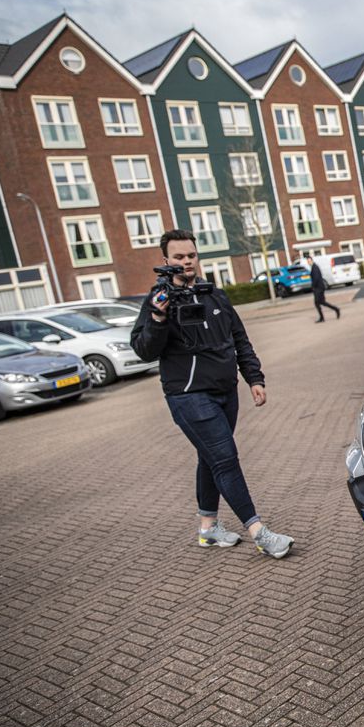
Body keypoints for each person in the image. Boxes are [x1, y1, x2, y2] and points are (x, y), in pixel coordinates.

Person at [130, 229, 296, 559]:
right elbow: (144, 350)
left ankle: (208, 529)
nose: (186, 261)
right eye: (178, 257)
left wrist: (254, 378)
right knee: (225, 459)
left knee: (210, 457)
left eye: (191, 255)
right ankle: (259, 532)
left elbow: (239, 339)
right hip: (189, 396)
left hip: (225, 393)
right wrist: (159, 317)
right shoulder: (158, 300)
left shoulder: (213, 295)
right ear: (166, 261)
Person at [303, 253, 340, 322]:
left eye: (309, 261)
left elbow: (316, 278)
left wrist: (313, 287)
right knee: (322, 302)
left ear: (312, 260)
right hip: (319, 288)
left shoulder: (315, 267)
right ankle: (335, 310)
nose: (308, 262)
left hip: (318, 288)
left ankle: (322, 317)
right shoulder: (314, 267)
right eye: (307, 261)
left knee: (317, 303)